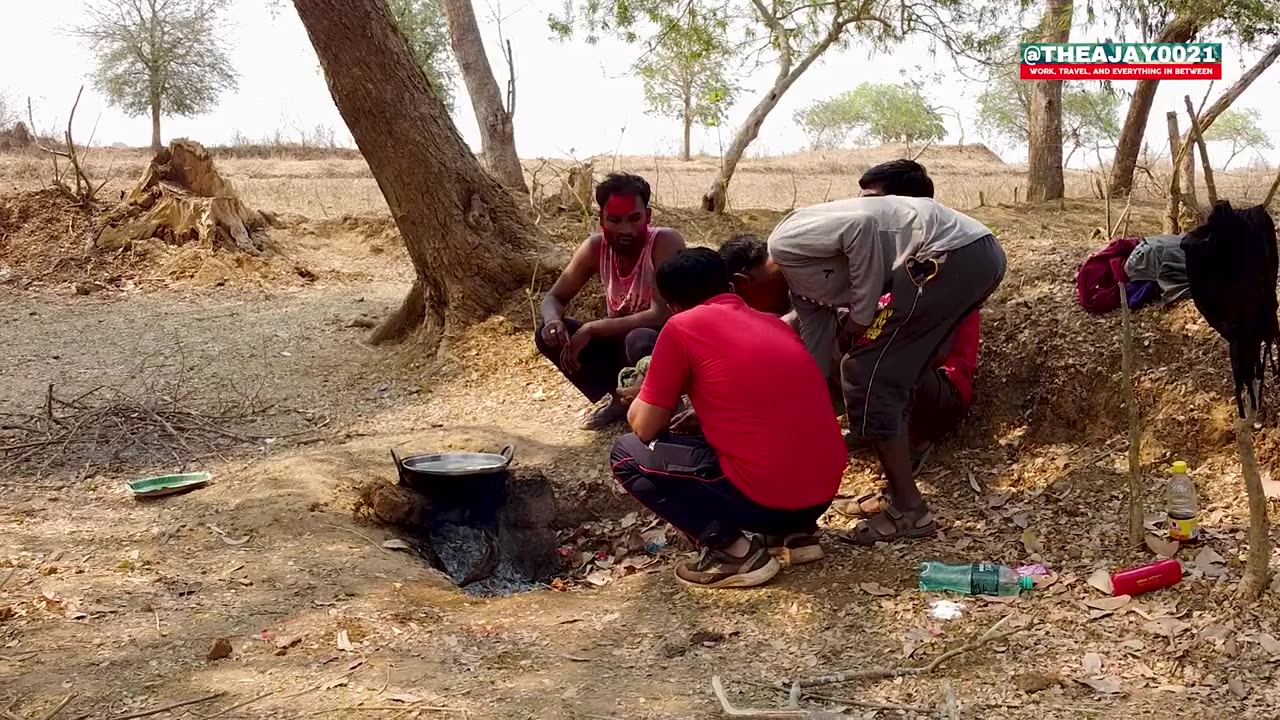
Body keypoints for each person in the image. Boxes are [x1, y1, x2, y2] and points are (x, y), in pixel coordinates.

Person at [720, 169, 1005, 544]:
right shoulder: (805, 291)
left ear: (742, 284)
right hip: (970, 256)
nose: (759, 315)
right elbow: (815, 356)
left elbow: (861, 230)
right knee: (871, 364)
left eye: (747, 305)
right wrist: (787, 413)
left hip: (952, 253)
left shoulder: (786, 241)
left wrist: (861, 313)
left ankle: (910, 510)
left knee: (865, 369)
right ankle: (901, 486)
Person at [609, 248, 847, 589]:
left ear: (672, 305)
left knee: (625, 453)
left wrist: (643, 392)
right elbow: (771, 404)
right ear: (730, 289)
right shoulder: (770, 322)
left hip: (769, 500)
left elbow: (644, 426)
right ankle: (798, 535)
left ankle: (732, 552)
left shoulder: (680, 327)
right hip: (821, 494)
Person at [536, 174, 685, 430]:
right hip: (620, 339)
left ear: (647, 216)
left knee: (639, 338)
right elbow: (554, 297)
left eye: (634, 219)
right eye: (614, 220)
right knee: (546, 335)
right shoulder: (595, 248)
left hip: (663, 342)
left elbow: (660, 315)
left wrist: (593, 327)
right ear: (601, 219)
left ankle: (666, 406)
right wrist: (552, 322)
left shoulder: (664, 243)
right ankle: (618, 398)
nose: (625, 229)